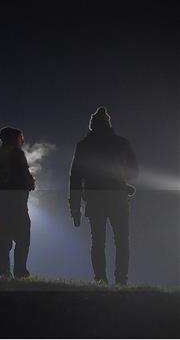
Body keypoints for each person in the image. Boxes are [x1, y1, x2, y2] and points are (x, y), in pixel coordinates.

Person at [69, 107, 138, 285]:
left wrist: (74, 207)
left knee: (97, 241)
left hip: (94, 198)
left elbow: (75, 177)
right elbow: (134, 171)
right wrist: (120, 179)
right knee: (122, 240)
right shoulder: (122, 143)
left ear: (92, 125)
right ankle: (121, 280)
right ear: (108, 123)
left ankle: (100, 279)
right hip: (118, 197)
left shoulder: (83, 145)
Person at [0, 127, 35, 278]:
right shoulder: (16, 153)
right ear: (15, 138)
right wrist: (31, 183)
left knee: (4, 237)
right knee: (23, 237)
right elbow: (24, 176)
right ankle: (20, 272)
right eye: (21, 137)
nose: (23, 141)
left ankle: (4, 273)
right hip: (15, 201)